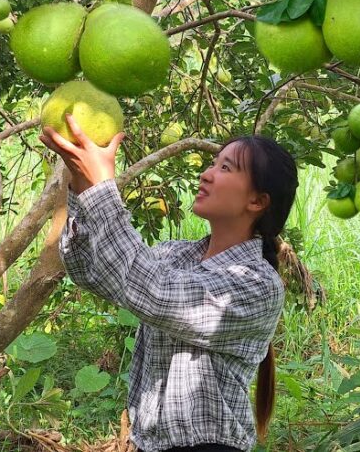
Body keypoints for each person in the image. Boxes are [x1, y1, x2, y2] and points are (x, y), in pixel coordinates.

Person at [40, 114, 297, 452]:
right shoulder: (173, 255)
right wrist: (83, 186)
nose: (205, 175)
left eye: (225, 169)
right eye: (212, 163)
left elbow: (157, 293)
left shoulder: (257, 285)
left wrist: (103, 191)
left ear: (257, 201)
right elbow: (91, 271)